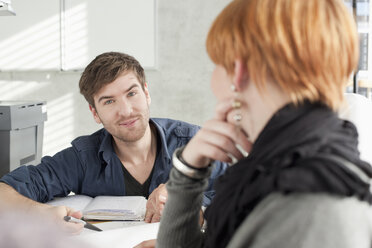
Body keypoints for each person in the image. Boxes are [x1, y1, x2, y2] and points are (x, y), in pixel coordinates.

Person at [152, 0, 372, 247]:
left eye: (218, 64)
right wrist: (189, 170)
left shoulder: (309, 207)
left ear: (238, 70)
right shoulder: (280, 169)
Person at [0, 52, 227, 234]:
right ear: (95, 112)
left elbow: (255, 191)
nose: (126, 111)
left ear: (146, 92)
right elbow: (3, 192)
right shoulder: (82, 157)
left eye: (131, 94)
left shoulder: (194, 143)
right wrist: (38, 213)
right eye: (109, 101)